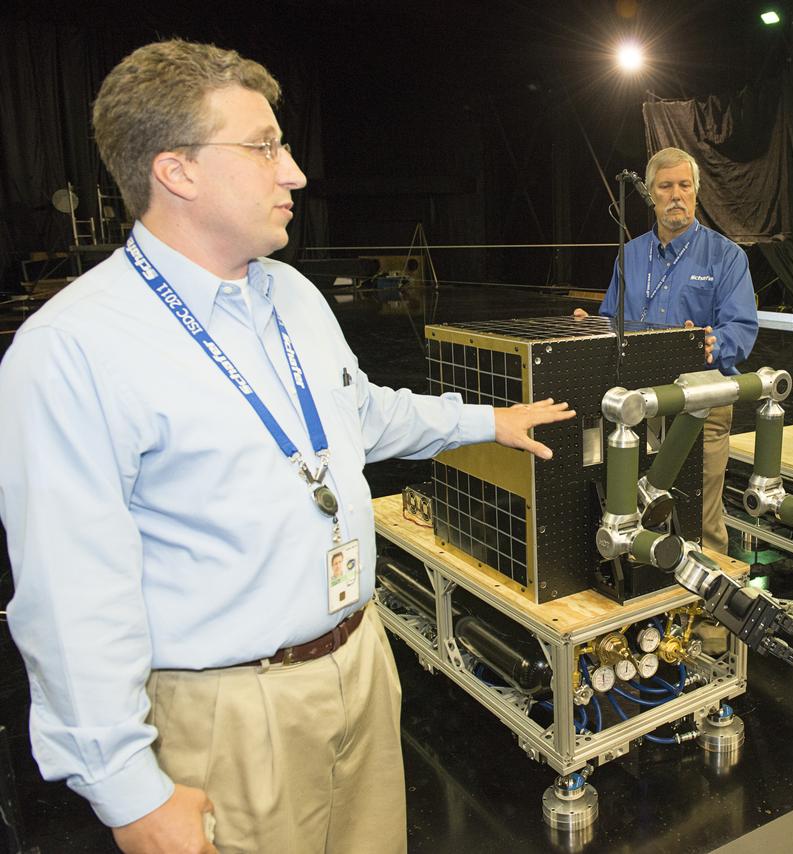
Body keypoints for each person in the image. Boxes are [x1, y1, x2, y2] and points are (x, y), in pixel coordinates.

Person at [0, 39, 574, 854]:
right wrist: (127, 790)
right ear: (178, 171)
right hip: (227, 715)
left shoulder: (292, 294)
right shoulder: (74, 349)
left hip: (361, 666)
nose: (295, 172)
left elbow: (362, 415)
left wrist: (487, 423)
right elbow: (68, 596)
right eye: (265, 147)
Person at [574, 147, 758, 556]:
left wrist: (713, 344)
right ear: (651, 195)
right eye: (665, 186)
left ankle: (710, 608)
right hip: (637, 405)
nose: (676, 195)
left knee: (700, 515)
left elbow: (742, 329)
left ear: (696, 192)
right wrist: (591, 327)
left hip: (700, 406)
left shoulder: (727, 257)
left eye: (684, 185)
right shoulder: (630, 255)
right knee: (633, 507)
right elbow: (611, 317)